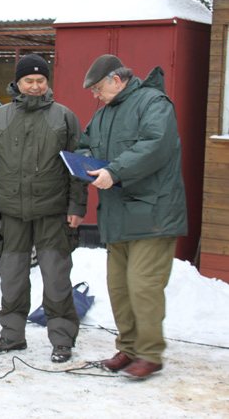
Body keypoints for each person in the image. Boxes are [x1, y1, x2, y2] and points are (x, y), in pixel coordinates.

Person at [77, 54, 187, 379]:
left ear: (116, 80)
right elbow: (84, 144)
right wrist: (83, 162)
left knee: (143, 285)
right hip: (117, 216)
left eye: (97, 88)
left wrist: (114, 171)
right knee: (119, 288)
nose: (95, 95)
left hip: (153, 215)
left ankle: (150, 354)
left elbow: (155, 145)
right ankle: (128, 348)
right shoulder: (103, 114)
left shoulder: (154, 103)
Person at [0, 54, 88, 363]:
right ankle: (12, 335)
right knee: (11, 277)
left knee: (56, 278)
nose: (35, 86)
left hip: (53, 213)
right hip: (11, 213)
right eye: (29, 81)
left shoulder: (64, 117)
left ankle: (62, 339)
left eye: (41, 80)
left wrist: (77, 205)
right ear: (18, 82)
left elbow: (77, 167)